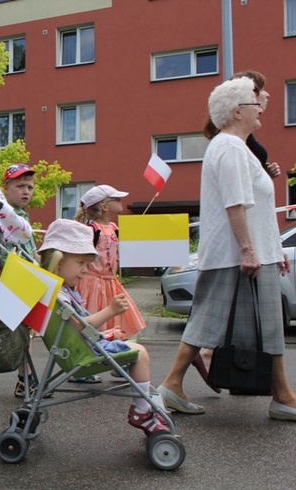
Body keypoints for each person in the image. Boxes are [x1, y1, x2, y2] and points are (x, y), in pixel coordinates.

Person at [158, 77, 296, 421]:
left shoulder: (234, 147)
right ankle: (281, 396)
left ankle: (281, 395)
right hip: (236, 255)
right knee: (210, 323)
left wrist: (273, 248)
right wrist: (248, 250)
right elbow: (236, 204)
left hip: (248, 254)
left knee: (251, 324)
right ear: (237, 112)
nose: (261, 107)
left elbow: (258, 209)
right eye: (254, 103)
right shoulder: (231, 148)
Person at [39, 219, 168, 435]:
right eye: (80, 263)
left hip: (78, 347)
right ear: (58, 260)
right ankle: (141, 411)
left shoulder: (56, 289)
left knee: (129, 347)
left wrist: (104, 334)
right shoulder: (60, 295)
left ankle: (143, 408)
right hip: (84, 353)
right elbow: (79, 327)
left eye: (86, 264)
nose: (84, 270)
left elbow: (75, 328)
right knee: (141, 353)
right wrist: (111, 311)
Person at [74, 185, 146, 340]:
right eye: (117, 199)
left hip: (110, 283)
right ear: (104, 206)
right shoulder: (92, 230)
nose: (121, 201)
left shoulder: (113, 228)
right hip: (93, 284)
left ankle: (111, 346)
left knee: (115, 319)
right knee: (96, 320)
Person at [0, 163, 39, 397]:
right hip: (11, 279)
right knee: (19, 332)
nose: (26, 191)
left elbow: (30, 248)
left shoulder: (23, 216)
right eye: (20, 186)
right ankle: (25, 379)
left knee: (22, 332)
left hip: (27, 277)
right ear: (6, 188)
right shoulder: (3, 214)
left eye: (30, 187)